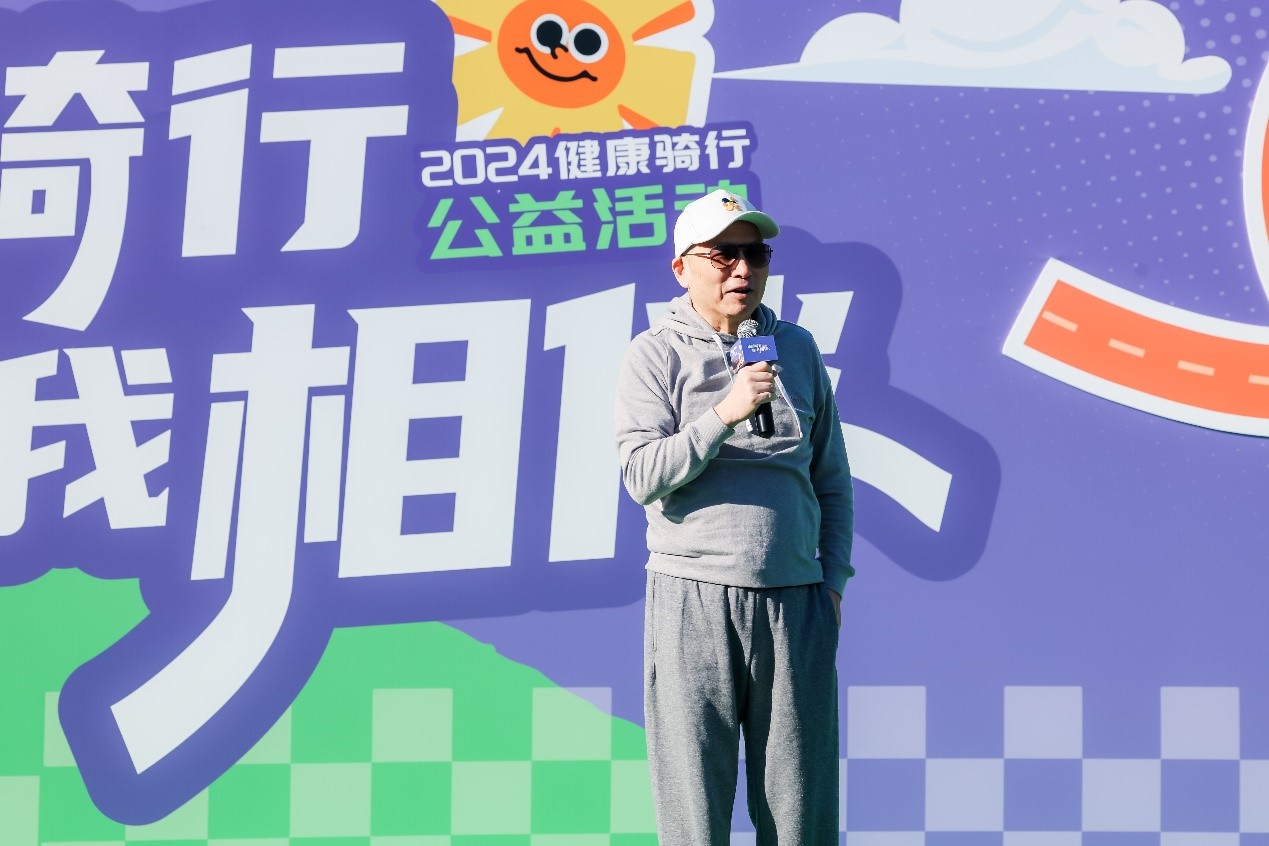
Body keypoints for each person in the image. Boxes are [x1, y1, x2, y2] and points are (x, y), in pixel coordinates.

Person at [614, 188, 855, 846]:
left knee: (801, 811)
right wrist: (723, 413)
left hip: (795, 599)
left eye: (756, 254)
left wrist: (832, 581)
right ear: (681, 268)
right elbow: (641, 474)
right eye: (722, 255)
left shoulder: (795, 348)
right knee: (695, 809)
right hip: (692, 595)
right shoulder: (654, 354)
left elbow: (830, 478)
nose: (742, 269)